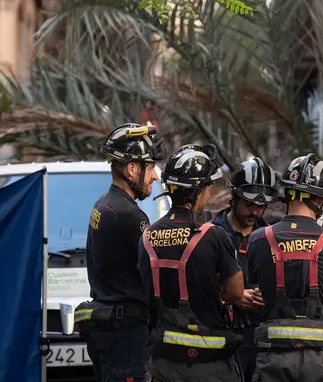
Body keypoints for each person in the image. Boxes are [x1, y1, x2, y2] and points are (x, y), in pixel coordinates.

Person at [246, 153, 323, 382]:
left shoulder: (258, 240)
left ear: (287, 194)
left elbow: (255, 291)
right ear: (319, 200)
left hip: (272, 360)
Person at [138, 144, 245, 381]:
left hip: (163, 364)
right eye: (207, 187)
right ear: (197, 191)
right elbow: (236, 293)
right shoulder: (213, 236)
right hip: (209, 365)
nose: (208, 194)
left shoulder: (146, 237)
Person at [81, 123, 166, 382]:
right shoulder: (129, 215)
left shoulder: (105, 203)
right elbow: (154, 274)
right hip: (126, 334)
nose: (155, 176)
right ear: (131, 169)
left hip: (110, 329)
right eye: (149, 167)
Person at [212, 157, 279, 381]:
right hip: (222, 341)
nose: (255, 212)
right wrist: (230, 297)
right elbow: (194, 283)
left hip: (261, 341)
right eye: (249, 204)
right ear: (234, 199)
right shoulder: (210, 234)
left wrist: (266, 295)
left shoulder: (271, 238)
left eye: (261, 206)